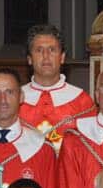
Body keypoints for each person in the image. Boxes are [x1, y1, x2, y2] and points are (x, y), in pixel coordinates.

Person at [19, 24, 95, 152]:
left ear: (62, 57)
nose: (46, 55)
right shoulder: (14, 99)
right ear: (29, 59)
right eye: (39, 50)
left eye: (52, 50)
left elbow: (90, 150)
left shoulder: (82, 101)